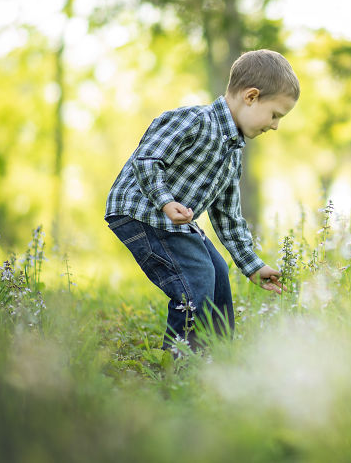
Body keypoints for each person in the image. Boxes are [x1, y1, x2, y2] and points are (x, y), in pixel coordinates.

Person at [104, 49, 298, 352]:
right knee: (197, 278)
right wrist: (165, 201)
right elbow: (147, 159)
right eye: (275, 115)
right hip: (140, 210)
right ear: (251, 97)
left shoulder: (233, 153)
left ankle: (218, 358)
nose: (275, 126)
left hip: (171, 222)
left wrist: (252, 266)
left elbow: (228, 218)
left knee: (218, 272)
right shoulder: (193, 120)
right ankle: (181, 361)